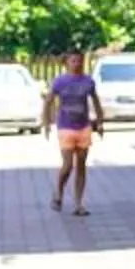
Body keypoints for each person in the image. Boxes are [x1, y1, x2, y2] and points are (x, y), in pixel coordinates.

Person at [44, 50, 105, 216]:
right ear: (67, 63)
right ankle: (58, 191)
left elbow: (96, 101)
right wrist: (46, 123)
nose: (77, 64)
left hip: (83, 126)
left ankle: (78, 204)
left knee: (81, 166)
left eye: (79, 61)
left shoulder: (88, 82)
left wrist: (100, 122)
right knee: (68, 164)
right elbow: (48, 101)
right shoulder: (60, 82)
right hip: (65, 127)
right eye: (73, 61)